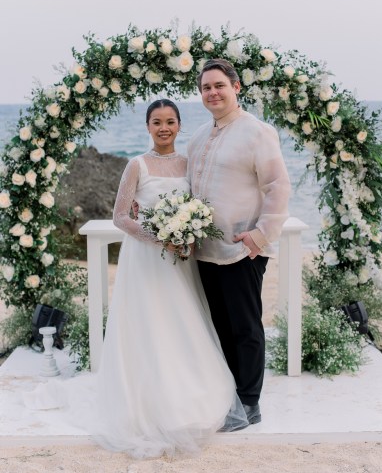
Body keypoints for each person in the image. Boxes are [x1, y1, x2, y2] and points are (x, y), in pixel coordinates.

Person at [25, 98, 247, 458]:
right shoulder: (136, 164)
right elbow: (120, 217)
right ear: (147, 127)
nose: (164, 128)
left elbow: (199, 209)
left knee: (182, 320)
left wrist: (186, 237)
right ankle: (147, 398)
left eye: (170, 121)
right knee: (149, 322)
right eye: (156, 122)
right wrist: (160, 235)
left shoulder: (189, 164)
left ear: (179, 125)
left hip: (181, 259)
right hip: (146, 256)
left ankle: (187, 394)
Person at [187, 59, 291, 431]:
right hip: (204, 251)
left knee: (245, 327)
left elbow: (278, 187)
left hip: (242, 249)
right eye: (205, 88)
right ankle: (227, 398)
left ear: (236, 88)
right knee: (218, 326)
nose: (212, 93)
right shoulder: (198, 136)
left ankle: (250, 403)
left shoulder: (257, 132)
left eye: (219, 85)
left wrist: (259, 235)